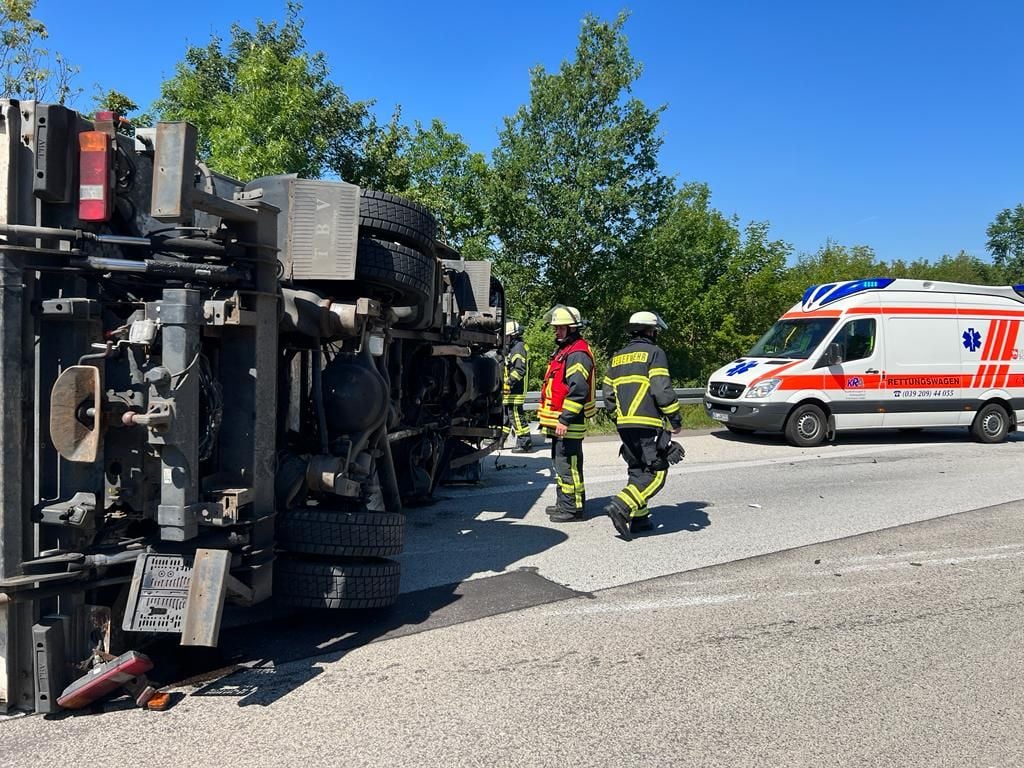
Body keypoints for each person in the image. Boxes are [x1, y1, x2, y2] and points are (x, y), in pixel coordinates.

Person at [602, 311, 683, 540]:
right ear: (650, 331)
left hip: (624, 424)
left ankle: (640, 519)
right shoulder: (655, 353)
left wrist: (619, 417)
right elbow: (661, 389)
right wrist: (674, 419)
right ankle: (622, 505)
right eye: (655, 330)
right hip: (648, 423)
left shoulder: (617, 357)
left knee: (637, 469)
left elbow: (607, 394)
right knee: (657, 471)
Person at [537, 305, 596, 522]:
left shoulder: (577, 353)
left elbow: (578, 389)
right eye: (556, 328)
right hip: (561, 421)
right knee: (561, 464)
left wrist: (565, 419)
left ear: (573, 328)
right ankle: (564, 502)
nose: (557, 332)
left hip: (568, 422)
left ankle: (573, 509)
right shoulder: (566, 351)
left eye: (561, 328)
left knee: (568, 465)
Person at [501, 319, 533, 452]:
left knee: (515, 415)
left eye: (506, 337)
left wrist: (508, 382)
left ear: (512, 336)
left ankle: (525, 442)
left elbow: (520, 370)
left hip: (516, 388)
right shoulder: (514, 348)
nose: (505, 340)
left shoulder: (518, 348)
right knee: (507, 416)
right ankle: (501, 439)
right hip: (512, 389)